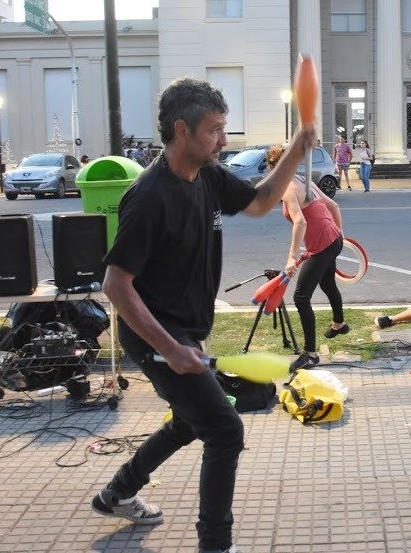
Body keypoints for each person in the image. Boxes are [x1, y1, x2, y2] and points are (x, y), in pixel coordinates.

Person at [89, 77, 314, 553]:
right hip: (154, 335)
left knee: (190, 422)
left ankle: (118, 493)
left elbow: (258, 202)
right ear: (182, 130)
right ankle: (215, 545)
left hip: (185, 330)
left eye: (223, 128)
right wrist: (170, 350)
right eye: (215, 130)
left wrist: (296, 148)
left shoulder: (206, 175)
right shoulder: (149, 196)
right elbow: (116, 286)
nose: (223, 140)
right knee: (225, 431)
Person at [266, 144, 347, 371]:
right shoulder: (304, 180)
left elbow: (300, 222)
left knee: (301, 297)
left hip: (323, 245)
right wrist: (339, 235)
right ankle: (339, 323)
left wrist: (292, 257)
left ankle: (310, 354)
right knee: (328, 283)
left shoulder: (288, 189)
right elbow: (333, 205)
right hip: (333, 239)